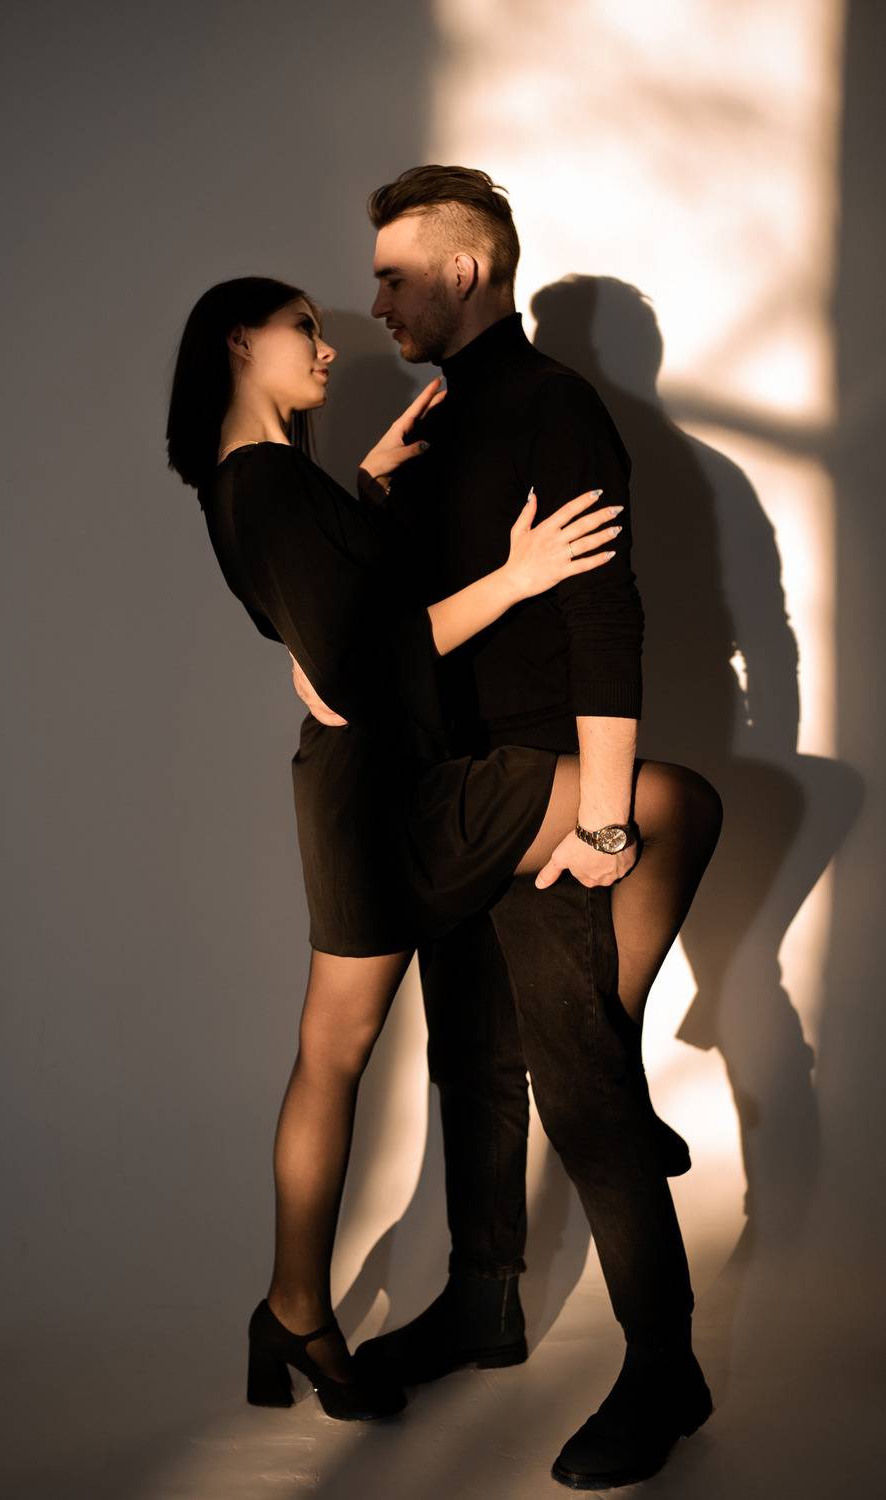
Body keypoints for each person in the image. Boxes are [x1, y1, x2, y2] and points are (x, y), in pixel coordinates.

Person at [164, 275, 685, 1436]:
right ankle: (300, 1308)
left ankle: (294, 1311)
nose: (330, 346)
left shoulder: (258, 479)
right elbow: (356, 664)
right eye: (305, 328)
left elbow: (326, 617)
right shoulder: (261, 480)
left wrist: (364, 491)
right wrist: (518, 577)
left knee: (332, 1053)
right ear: (240, 341)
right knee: (669, 804)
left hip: (367, 788)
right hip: (386, 794)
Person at [288, 167, 724, 1489]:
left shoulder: (552, 407)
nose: (375, 304)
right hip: (441, 788)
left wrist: (602, 820)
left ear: (465, 271)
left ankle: (664, 1367)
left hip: (539, 792)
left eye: (393, 277)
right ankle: (482, 1300)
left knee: (579, 1078)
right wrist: (370, 493)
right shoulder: (435, 420)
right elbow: (382, 616)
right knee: (471, 1064)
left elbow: (603, 615)